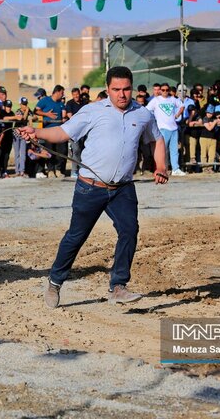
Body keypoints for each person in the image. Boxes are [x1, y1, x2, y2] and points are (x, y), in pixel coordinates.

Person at [17, 66, 168, 308]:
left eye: (126, 89)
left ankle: (118, 286)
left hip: (122, 188)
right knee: (76, 236)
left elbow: (157, 139)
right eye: (116, 89)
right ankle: (55, 281)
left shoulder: (142, 114)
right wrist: (37, 131)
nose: (122, 94)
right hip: (90, 187)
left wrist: (161, 165)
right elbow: (62, 132)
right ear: (107, 89)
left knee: (129, 230)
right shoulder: (92, 111)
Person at [146, 83, 185, 176]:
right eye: (163, 90)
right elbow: (147, 110)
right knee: (162, 150)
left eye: (167, 90)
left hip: (174, 128)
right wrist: (152, 121)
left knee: (174, 150)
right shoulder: (155, 100)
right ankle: (162, 169)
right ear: (160, 90)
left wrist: (178, 114)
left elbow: (182, 106)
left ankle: (175, 169)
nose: (165, 91)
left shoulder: (172, 99)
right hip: (163, 128)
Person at [34, 85, 67, 177]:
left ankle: (58, 169)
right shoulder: (45, 100)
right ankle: (50, 170)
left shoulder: (60, 103)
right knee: (50, 150)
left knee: (61, 151)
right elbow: (36, 111)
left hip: (60, 131)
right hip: (48, 131)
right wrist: (46, 114)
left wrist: (64, 118)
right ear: (57, 92)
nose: (63, 95)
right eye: (62, 93)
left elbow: (64, 113)